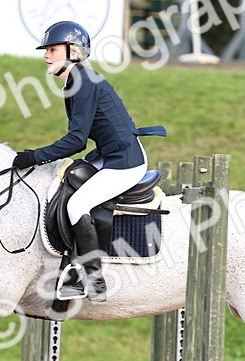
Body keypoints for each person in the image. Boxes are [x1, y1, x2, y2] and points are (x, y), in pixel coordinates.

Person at [12, 21, 165, 303]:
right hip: (108, 154)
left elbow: (76, 140)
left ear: (72, 51)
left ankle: (93, 278)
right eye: (46, 50)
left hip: (125, 162)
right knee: (64, 182)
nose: (46, 55)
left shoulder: (82, 82)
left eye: (52, 49)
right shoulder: (76, 80)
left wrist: (35, 156)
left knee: (77, 204)